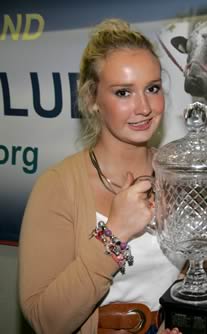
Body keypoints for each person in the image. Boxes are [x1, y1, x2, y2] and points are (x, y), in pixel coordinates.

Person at [19, 19, 184, 334]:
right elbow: (45, 321)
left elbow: (199, 276)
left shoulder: (179, 174)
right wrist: (116, 232)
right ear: (93, 99)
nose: (144, 107)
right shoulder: (58, 185)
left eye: (153, 88)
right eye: (123, 92)